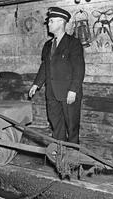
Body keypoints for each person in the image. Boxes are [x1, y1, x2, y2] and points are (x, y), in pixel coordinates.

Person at [28, 7, 85, 144]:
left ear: (61, 22)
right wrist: (36, 84)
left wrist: (73, 90)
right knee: (56, 126)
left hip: (68, 93)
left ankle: (72, 160)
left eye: (51, 21)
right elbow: (44, 66)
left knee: (72, 127)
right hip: (52, 93)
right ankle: (60, 156)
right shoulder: (48, 45)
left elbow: (79, 68)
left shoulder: (73, 43)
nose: (48, 23)